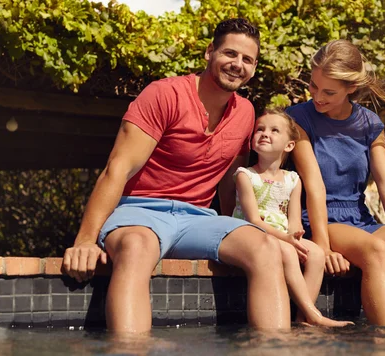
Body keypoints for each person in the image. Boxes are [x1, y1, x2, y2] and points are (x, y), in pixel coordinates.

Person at [62, 18, 292, 333]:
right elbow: (118, 168)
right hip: (139, 211)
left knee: (265, 248)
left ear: (253, 68)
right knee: (136, 248)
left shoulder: (246, 113)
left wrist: (236, 230)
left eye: (247, 59)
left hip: (198, 218)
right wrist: (86, 240)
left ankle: (275, 351)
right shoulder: (164, 94)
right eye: (230, 54)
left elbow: (227, 181)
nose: (238, 64)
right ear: (210, 52)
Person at [286, 39, 385, 329]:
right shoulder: (299, 117)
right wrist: (324, 246)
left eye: (329, 92)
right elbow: (314, 184)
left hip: (359, 217)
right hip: (320, 217)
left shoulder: (369, 123)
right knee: (376, 251)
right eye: (314, 86)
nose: (317, 96)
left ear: (351, 88)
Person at [232, 110, 352, 327]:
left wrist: (294, 236)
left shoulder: (292, 179)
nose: (265, 134)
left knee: (314, 252)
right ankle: (313, 313)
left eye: (274, 130)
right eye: (260, 129)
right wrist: (287, 241)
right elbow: (253, 221)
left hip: (282, 235)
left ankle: (302, 319)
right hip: (254, 234)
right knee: (287, 251)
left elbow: (294, 219)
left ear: (289, 145)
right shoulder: (245, 175)